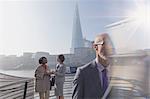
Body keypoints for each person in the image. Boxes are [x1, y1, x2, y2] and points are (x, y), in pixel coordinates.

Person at [72, 33, 113, 99]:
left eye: (110, 44)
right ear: (95, 47)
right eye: (104, 44)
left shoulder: (118, 73)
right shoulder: (83, 73)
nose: (109, 47)